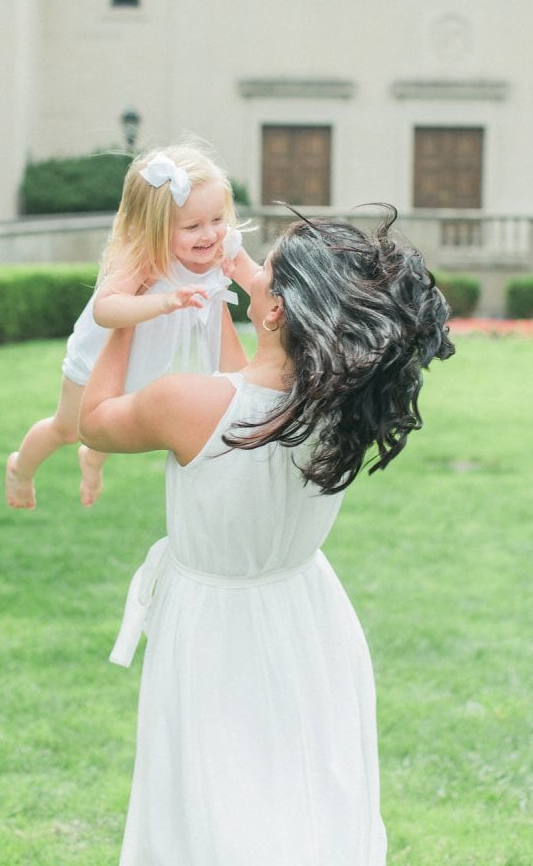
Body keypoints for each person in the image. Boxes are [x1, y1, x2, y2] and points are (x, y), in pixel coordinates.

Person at [78, 209, 455, 866]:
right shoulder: (339, 403)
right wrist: (234, 290)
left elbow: (94, 422)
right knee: (303, 800)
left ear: (278, 311)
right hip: (305, 618)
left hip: (212, 626)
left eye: (264, 271)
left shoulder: (184, 404)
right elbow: (248, 392)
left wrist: (123, 308)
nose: (248, 267)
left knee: (214, 809)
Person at [6, 143, 253, 510]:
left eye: (217, 219)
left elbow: (258, 280)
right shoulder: (146, 257)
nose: (209, 234)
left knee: (115, 425)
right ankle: (20, 470)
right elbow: (105, 310)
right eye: (193, 226)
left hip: (156, 358)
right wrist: (162, 302)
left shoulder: (223, 246)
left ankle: (93, 458)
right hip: (100, 356)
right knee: (68, 428)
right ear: (157, 227)